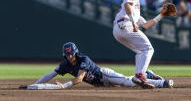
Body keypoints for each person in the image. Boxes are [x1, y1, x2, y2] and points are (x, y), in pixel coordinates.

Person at [22, 42, 173, 90]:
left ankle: (161, 83)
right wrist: (35, 85)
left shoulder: (83, 59)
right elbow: (50, 74)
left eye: (71, 54)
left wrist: (64, 86)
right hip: (101, 85)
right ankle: (148, 74)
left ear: (76, 52)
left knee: (131, 82)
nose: (70, 56)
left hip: (104, 75)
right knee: (129, 83)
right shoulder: (65, 64)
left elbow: (80, 78)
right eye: (67, 55)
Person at [113, 0, 169, 88]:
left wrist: (161, 15)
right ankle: (140, 75)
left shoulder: (136, 11)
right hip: (126, 25)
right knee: (148, 49)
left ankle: (139, 76)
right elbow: (127, 5)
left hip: (118, 30)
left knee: (141, 51)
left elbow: (146, 25)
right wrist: (133, 22)